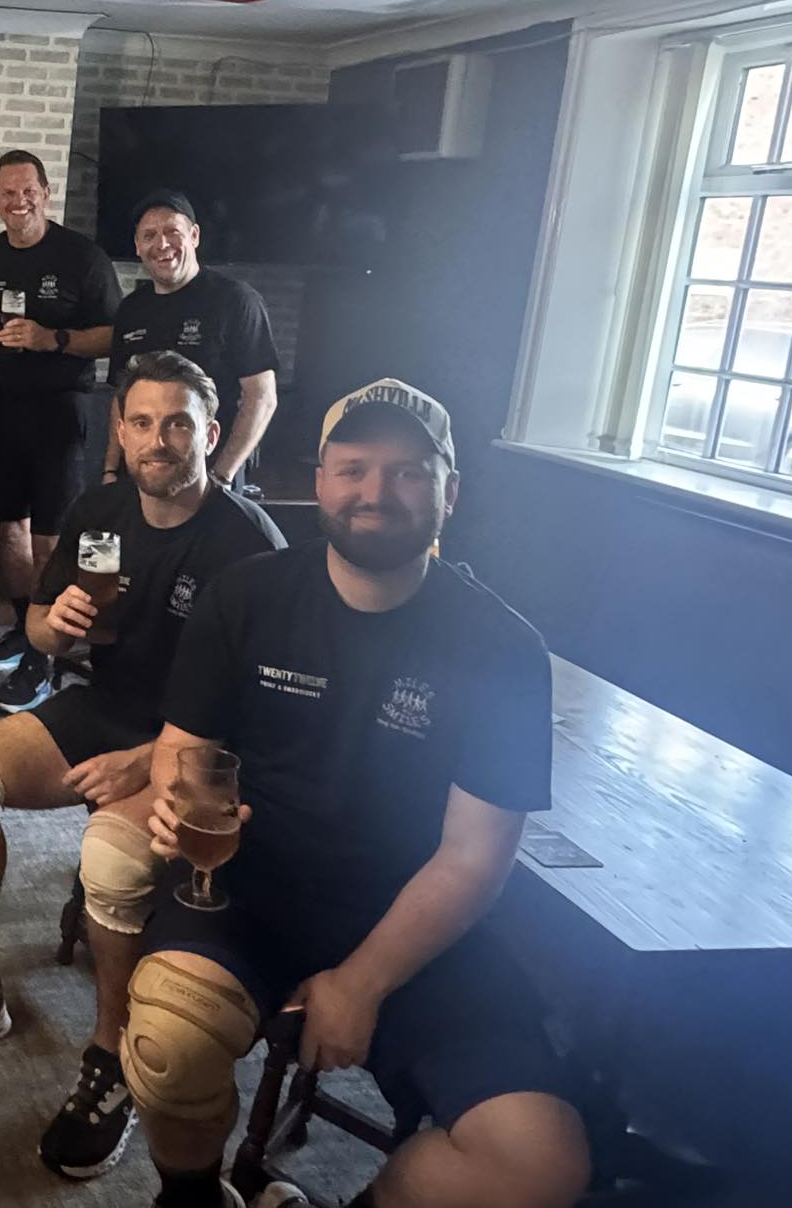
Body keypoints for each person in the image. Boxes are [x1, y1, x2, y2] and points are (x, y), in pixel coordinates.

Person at [122, 380, 589, 1208]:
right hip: (248, 890)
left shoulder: (503, 647)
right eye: (354, 468)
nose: (377, 491)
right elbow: (182, 751)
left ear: (450, 491)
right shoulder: (248, 596)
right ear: (321, 480)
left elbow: (474, 858)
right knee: (166, 1038)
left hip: (416, 924)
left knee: (537, 1162)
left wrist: (362, 982)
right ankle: (190, 1198)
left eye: (408, 472)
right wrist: (176, 798)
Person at [0, 352, 284, 1182]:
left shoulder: (250, 544)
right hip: (108, 705)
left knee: (109, 857)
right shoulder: (100, 508)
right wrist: (55, 627)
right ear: (118, 429)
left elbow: (264, 713)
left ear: (211, 432)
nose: (158, 440)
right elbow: (39, 625)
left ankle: (112, 1054)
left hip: (198, 745)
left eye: (178, 423)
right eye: (142, 422)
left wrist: (148, 760)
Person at [0, 148, 122, 708]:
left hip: (63, 410)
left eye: (28, 190)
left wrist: (51, 339)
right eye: (7, 192)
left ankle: (43, 657)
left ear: (46, 192)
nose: (19, 201)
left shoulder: (83, 257)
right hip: (4, 409)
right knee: (8, 528)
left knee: (51, 536)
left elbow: (114, 335)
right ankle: (23, 626)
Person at [106, 193, 280, 490]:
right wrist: (111, 469)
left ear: (194, 235)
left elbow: (261, 397)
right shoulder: (131, 309)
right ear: (137, 246)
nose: (162, 244)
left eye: (172, 232)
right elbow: (120, 400)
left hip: (208, 476)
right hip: (141, 474)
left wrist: (222, 476)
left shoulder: (236, 300)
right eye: (149, 235)